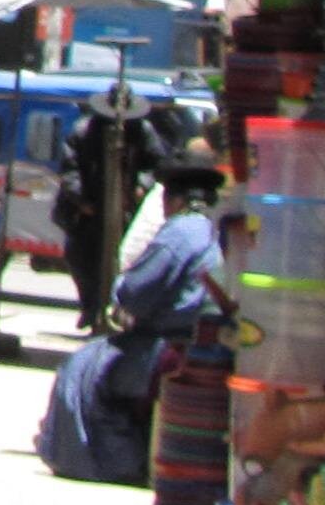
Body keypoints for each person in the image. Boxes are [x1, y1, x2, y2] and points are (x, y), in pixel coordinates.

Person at [36, 141, 234, 484]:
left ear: (172, 200)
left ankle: (102, 458)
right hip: (202, 340)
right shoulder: (214, 228)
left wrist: (121, 291)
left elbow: (133, 293)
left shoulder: (181, 231)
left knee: (81, 366)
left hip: (172, 345)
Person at [57, 83, 172, 332]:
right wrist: (82, 201)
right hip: (88, 209)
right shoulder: (83, 130)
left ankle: (118, 310)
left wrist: (141, 186)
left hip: (127, 208)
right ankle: (90, 307)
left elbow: (157, 163)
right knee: (80, 258)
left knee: (127, 259)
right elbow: (69, 169)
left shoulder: (142, 130)